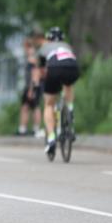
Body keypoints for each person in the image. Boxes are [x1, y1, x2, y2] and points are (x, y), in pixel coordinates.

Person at [37, 26, 80, 158]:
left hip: (54, 68)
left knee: (49, 104)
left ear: (48, 38)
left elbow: (42, 70)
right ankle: (70, 110)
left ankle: (51, 139)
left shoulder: (45, 47)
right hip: (73, 67)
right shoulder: (67, 46)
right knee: (68, 85)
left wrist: (43, 84)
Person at [16, 35, 43, 137]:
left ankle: (36, 129)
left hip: (32, 86)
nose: (23, 49)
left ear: (28, 46)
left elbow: (35, 74)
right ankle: (23, 128)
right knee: (25, 107)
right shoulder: (30, 57)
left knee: (35, 107)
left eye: (24, 46)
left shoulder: (32, 58)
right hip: (29, 86)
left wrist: (32, 89)